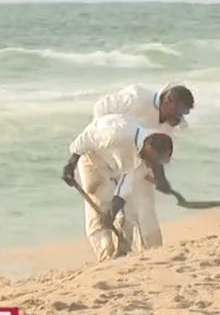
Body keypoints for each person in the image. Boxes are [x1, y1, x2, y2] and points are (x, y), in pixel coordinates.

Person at [89, 83, 194, 251]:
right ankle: (107, 254)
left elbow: (158, 155)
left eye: (182, 115)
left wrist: (160, 179)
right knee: (102, 206)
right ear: (168, 100)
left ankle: (149, 251)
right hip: (102, 154)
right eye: (178, 113)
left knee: (143, 207)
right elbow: (100, 108)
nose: (178, 119)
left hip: (136, 162)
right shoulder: (137, 98)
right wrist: (107, 139)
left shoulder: (168, 125)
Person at [61, 113, 175, 262]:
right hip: (93, 160)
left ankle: (121, 251)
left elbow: (126, 184)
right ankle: (106, 257)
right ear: (149, 147)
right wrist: (71, 164)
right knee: (98, 210)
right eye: (154, 159)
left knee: (126, 211)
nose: (152, 164)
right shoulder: (117, 133)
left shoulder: (144, 156)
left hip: (114, 167)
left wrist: (114, 210)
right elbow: (86, 138)